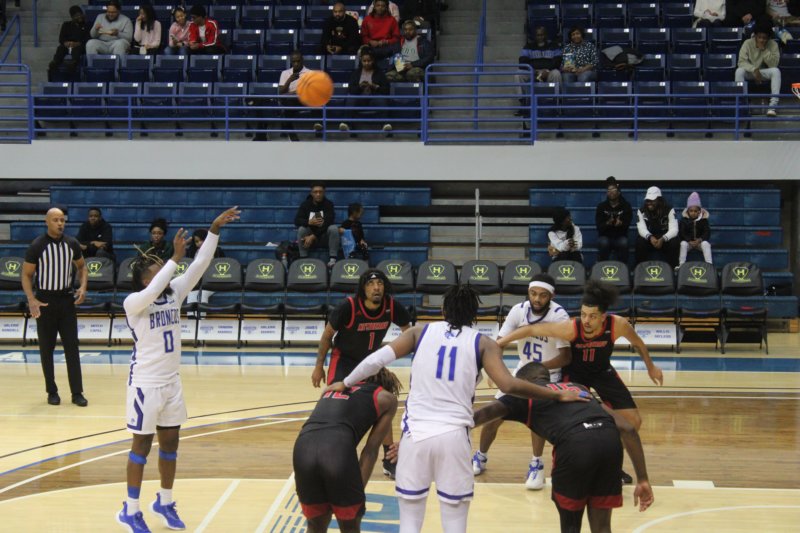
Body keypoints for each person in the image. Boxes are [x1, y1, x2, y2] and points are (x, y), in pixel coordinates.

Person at [326, 285, 589, 533]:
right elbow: (508, 385)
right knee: (454, 523)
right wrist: (556, 394)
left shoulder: (419, 332)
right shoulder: (483, 343)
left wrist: (345, 381)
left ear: (443, 310)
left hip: (415, 436)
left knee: (410, 522)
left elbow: (376, 360)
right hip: (454, 437)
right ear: (474, 315)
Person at [116, 207, 240, 533]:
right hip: (145, 384)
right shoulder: (134, 303)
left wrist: (214, 229)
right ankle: (130, 510)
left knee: (170, 445)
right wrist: (172, 258)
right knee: (141, 447)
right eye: (158, 271)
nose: (166, 273)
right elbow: (155, 287)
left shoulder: (175, 294)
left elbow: (199, 264)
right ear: (146, 279)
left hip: (171, 382)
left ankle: (165, 501)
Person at [498, 280, 664, 485]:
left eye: (592, 316)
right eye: (583, 314)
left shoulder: (618, 324)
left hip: (602, 372)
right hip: (575, 376)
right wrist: (499, 343)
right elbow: (530, 330)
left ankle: (610, 463)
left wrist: (650, 367)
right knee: (572, 424)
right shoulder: (571, 328)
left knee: (633, 422)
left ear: (603, 317)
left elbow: (638, 343)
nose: (586, 320)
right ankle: (565, 468)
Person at [473, 362, 654, 533]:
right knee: (602, 528)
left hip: (575, 445)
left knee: (570, 528)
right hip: (609, 442)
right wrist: (643, 479)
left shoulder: (524, 395)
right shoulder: (577, 388)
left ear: (523, 382)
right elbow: (628, 429)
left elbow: (484, 414)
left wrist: (458, 423)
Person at [472, 273, 570, 491]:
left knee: (537, 420)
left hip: (548, 376)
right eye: (533, 294)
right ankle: (481, 455)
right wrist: (494, 371)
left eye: (542, 295)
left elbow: (565, 357)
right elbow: (498, 345)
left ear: (551, 296)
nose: (537, 299)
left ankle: (537, 464)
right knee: (494, 414)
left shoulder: (559, 316)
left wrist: (539, 368)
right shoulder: (518, 310)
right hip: (521, 373)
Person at [312, 269, 412, 478]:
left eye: (380, 284)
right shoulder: (348, 307)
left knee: (384, 406)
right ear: (363, 288)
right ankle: (327, 453)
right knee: (336, 407)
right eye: (371, 284)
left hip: (370, 363)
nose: (376, 288)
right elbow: (327, 336)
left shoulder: (391, 306)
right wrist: (319, 366)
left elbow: (410, 333)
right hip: (344, 361)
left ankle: (389, 459)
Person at [295, 368, 401, 533]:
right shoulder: (386, 397)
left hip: (302, 448)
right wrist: (357, 492)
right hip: (336, 450)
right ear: (386, 386)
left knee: (315, 525)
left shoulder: (333, 388)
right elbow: (370, 451)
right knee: (349, 527)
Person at [21, 208, 88, 407]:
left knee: (72, 348)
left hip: (66, 300)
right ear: (47, 222)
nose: (60, 223)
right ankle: (52, 391)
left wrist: (83, 286)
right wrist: (31, 299)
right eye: (56, 220)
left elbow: (82, 266)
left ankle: (77, 392)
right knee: (46, 349)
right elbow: (26, 275)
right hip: (45, 301)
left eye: (62, 220)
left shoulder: (72, 243)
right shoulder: (37, 245)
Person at [735, 23, 782, 117]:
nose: (761, 40)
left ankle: (772, 107)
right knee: (739, 71)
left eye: (764, 38)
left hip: (764, 72)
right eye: (759, 37)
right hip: (751, 71)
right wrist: (754, 69)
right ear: (755, 36)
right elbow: (741, 62)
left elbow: (774, 64)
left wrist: (764, 50)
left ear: (768, 38)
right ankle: (742, 105)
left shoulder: (773, 44)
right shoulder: (747, 43)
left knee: (776, 71)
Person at [342, 48, 392, 134]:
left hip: (374, 98)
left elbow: (386, 90)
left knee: (382, 100)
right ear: (361, 61)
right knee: (350, 98)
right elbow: (351, 89)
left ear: (373, 61)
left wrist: (375, 87)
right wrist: (360, 87)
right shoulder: (356, 73)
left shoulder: (379, 73)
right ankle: (346, 123)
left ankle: (385, 124)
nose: (366, 63)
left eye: (369, 61)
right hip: (360, 99)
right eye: (364, 61)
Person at [294, 182, 340, 268]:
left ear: (324, 192)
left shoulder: (328, 204)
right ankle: (303, 258)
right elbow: (297, 220)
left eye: (320, 192)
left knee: (333, 228)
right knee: (301, 229)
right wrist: (308, 222)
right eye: (315, 192)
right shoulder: (305, 204)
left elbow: (328, 222)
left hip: (324, 237)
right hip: (309, 240)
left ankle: (333, 259)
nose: (318, 194)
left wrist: (313, 236)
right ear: (311, 193)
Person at [278, 50, 319, 141]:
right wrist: (289, 80)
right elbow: (280, 92)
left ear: (302, 61)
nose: (296, 64)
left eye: (298, 61)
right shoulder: (285, 73)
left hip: (305, 100)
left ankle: (318, 127)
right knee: (286, 108)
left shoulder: (309, 73)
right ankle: (292, 135)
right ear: (291, 62)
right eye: (294, 62)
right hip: (291, 101)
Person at [635, 186, 680, 268]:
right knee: (640, 241)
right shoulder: (641, 211)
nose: (649, 203)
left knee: (675, 241)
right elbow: (641, 228)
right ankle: (639, 268)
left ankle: (673, 269)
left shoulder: (669, 210)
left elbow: (674, 229)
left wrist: (663, 239)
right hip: (650, 238)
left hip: (664, 238)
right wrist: (650, 237)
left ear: (659, 200)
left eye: (652, 200)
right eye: (648, 200)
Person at [595, 176, 633, 264]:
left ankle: (623, 267)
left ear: (619, 192)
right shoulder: (601, 206)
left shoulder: (626, 206)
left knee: (624, 242)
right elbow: (599, 226)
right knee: (603, 242)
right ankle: (601, 266)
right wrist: (607, 223)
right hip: (605, 236)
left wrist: (621, 224)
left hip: (620, 236)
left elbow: (627, 224)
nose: (611, 192)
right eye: (609, 190)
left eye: (613, 189)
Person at [48, 6, 91, 81]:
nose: (79, 17)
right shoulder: (66, 25)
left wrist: (77, 43)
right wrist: (66, 43)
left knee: (77, 50)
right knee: (61, 48)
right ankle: (55, 63)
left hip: (80, 46)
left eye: (80, 14)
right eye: (76, 16)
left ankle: (73, 64)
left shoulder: (87, 25)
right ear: (72, 17)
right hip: (67, 46)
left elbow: (88, 39)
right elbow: (61, 39)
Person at [679, 192, 713, 266]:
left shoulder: (703, 220)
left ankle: (709, 265)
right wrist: (689, 240)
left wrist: (700, 240)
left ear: (699, 211)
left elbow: (707, 232)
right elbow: (682, 233)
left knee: (706, 244)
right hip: (689, 243)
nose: (693, 213)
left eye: (695, 211)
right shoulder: (684, 220)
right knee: (683, 244)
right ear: (687, 211)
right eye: (691, 211)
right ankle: (681, 265)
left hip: (699, 243)